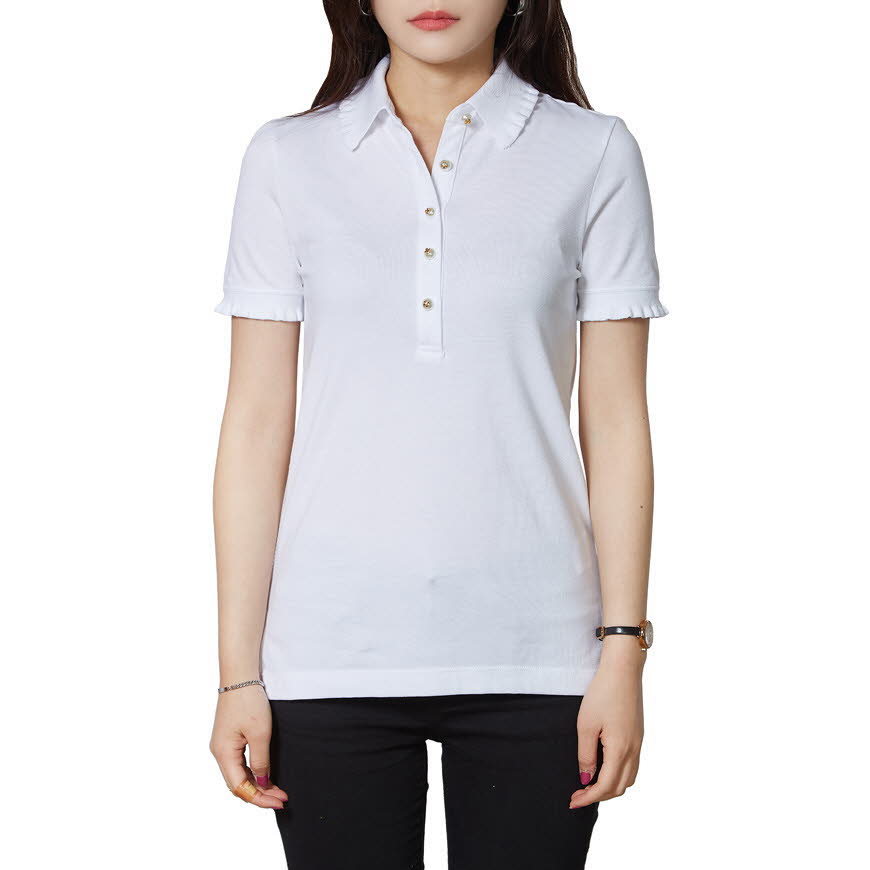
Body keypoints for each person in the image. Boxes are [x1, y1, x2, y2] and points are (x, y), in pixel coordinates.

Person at [209, 1, 668, 867]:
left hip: (540, 652)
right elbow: (255, 428)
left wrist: (623, 653)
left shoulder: (594, 151)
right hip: (330, 648)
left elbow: (616, 424)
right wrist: (239, 673)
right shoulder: (286, 158)